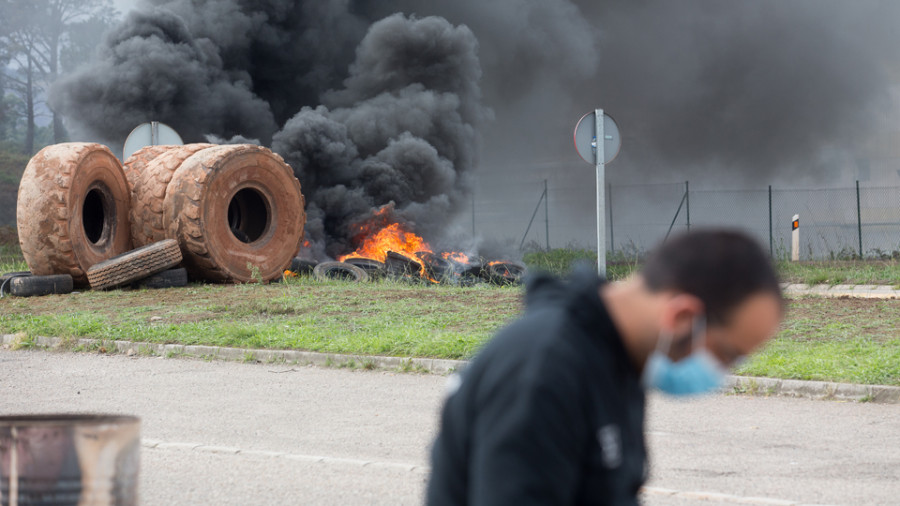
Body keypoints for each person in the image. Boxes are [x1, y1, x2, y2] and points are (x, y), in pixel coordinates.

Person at [426, 229, 784, 505]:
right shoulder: (544, 371)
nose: (721, 373)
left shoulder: (617, 361)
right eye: (727, 354)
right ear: (683, 316)